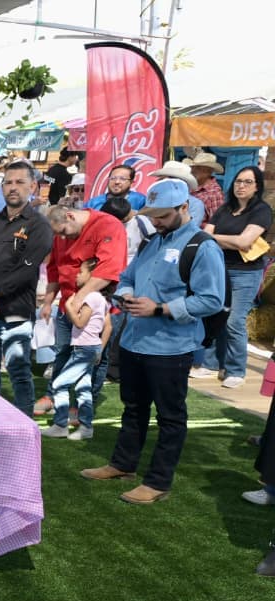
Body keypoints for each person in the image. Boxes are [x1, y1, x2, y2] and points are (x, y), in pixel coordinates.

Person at [80, 180, 225, 504]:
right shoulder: (152, 241)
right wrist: (126, 295)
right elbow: (127, 277)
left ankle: (158, 481)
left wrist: (160, 308)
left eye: (162, 215)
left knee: (170, 416)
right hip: (135, 340)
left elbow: (212, 300)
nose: (156, 221)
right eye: (153, 215)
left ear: (184, 207)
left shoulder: (202, 246)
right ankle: (123, 464)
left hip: (171, 346)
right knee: (133, 408)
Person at [0, 161, 54, 415]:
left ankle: (24, 427)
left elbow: (24, 271)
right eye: (8, 182)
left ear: (33, 186)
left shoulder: (39, 226)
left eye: (19, 182)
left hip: (14, 313)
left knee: (18, 372)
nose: (13, 187)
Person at [35, 204, 127, 417]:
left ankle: (82, 405)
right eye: (57, 234)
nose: (62, 238)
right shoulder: (61, 235)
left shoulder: (107, 225)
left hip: (97, 307)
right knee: (62, 353)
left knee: (93, 358)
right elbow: (54, 269)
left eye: (63, 231)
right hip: (67, 305)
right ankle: (53, 395)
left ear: (70, 215)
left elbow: (108, 270)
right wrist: (48, 302)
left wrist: (78, 300)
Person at [195, 166, 271, 388]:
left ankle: (236, 369)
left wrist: (218, 238)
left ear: (257, 186)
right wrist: (233, 240)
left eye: (248, 182)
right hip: (219, 268)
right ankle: (211, 364)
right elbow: (205, 235)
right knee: (214, 314)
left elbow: (244, 242)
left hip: (245, 273)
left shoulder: (262, 211)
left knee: (234, 320)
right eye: (238, 181)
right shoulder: (225, 208)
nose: (241, 186)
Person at [40, 258, 110, 440]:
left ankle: (60, 425)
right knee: (83, 388)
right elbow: (107, 325)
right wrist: (99, 350)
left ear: (92, 276)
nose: (76, 276)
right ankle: (86, 427)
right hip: (88, 348)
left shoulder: (91, 297)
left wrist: (68, 307)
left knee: (59, 384)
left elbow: (79, 322)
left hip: (84, 350)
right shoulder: (100, 298)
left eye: (81, 272)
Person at [184, 151, 226, 222]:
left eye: (198, 168)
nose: (193, 171)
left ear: (208, 171)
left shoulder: (214, 193)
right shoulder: (189, 185)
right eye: (192, 167)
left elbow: (217, 223)